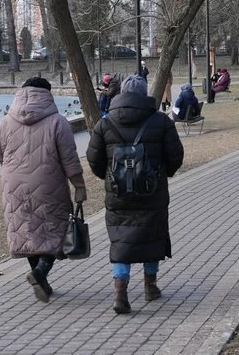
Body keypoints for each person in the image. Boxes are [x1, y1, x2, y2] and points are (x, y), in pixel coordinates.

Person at [86, 75, 184, 314]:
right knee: (152, 235)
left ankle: (120, 290)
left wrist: (110, 177)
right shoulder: (161, 122)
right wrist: (163, 174)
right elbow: (175, 156)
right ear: (144, 93)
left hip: (118, 194)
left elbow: (93, 159)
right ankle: (150, 286)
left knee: (121, 241)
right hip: (152, 192)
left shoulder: (104, 124)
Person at [0, 77, 87, 303]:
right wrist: (79, 186)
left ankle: (41, 279)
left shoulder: (5, 122)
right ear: (47, 94)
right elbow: (70, 160)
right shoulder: (57, 122)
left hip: (13, 185)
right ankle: (40, 272)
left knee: (28, 231)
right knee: (54, 230)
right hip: (48, 184)